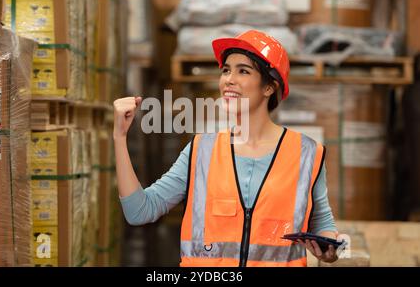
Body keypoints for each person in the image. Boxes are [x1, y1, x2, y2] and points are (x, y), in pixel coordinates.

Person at [113, 30, 338, 267]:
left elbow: (323, 223)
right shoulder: (202, 150)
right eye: (226, 70)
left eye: (243, 71)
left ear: (269, 87)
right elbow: (139, 212)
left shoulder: (306, 153)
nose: (228, 79)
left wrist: (329, 249)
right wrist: (120, 137)